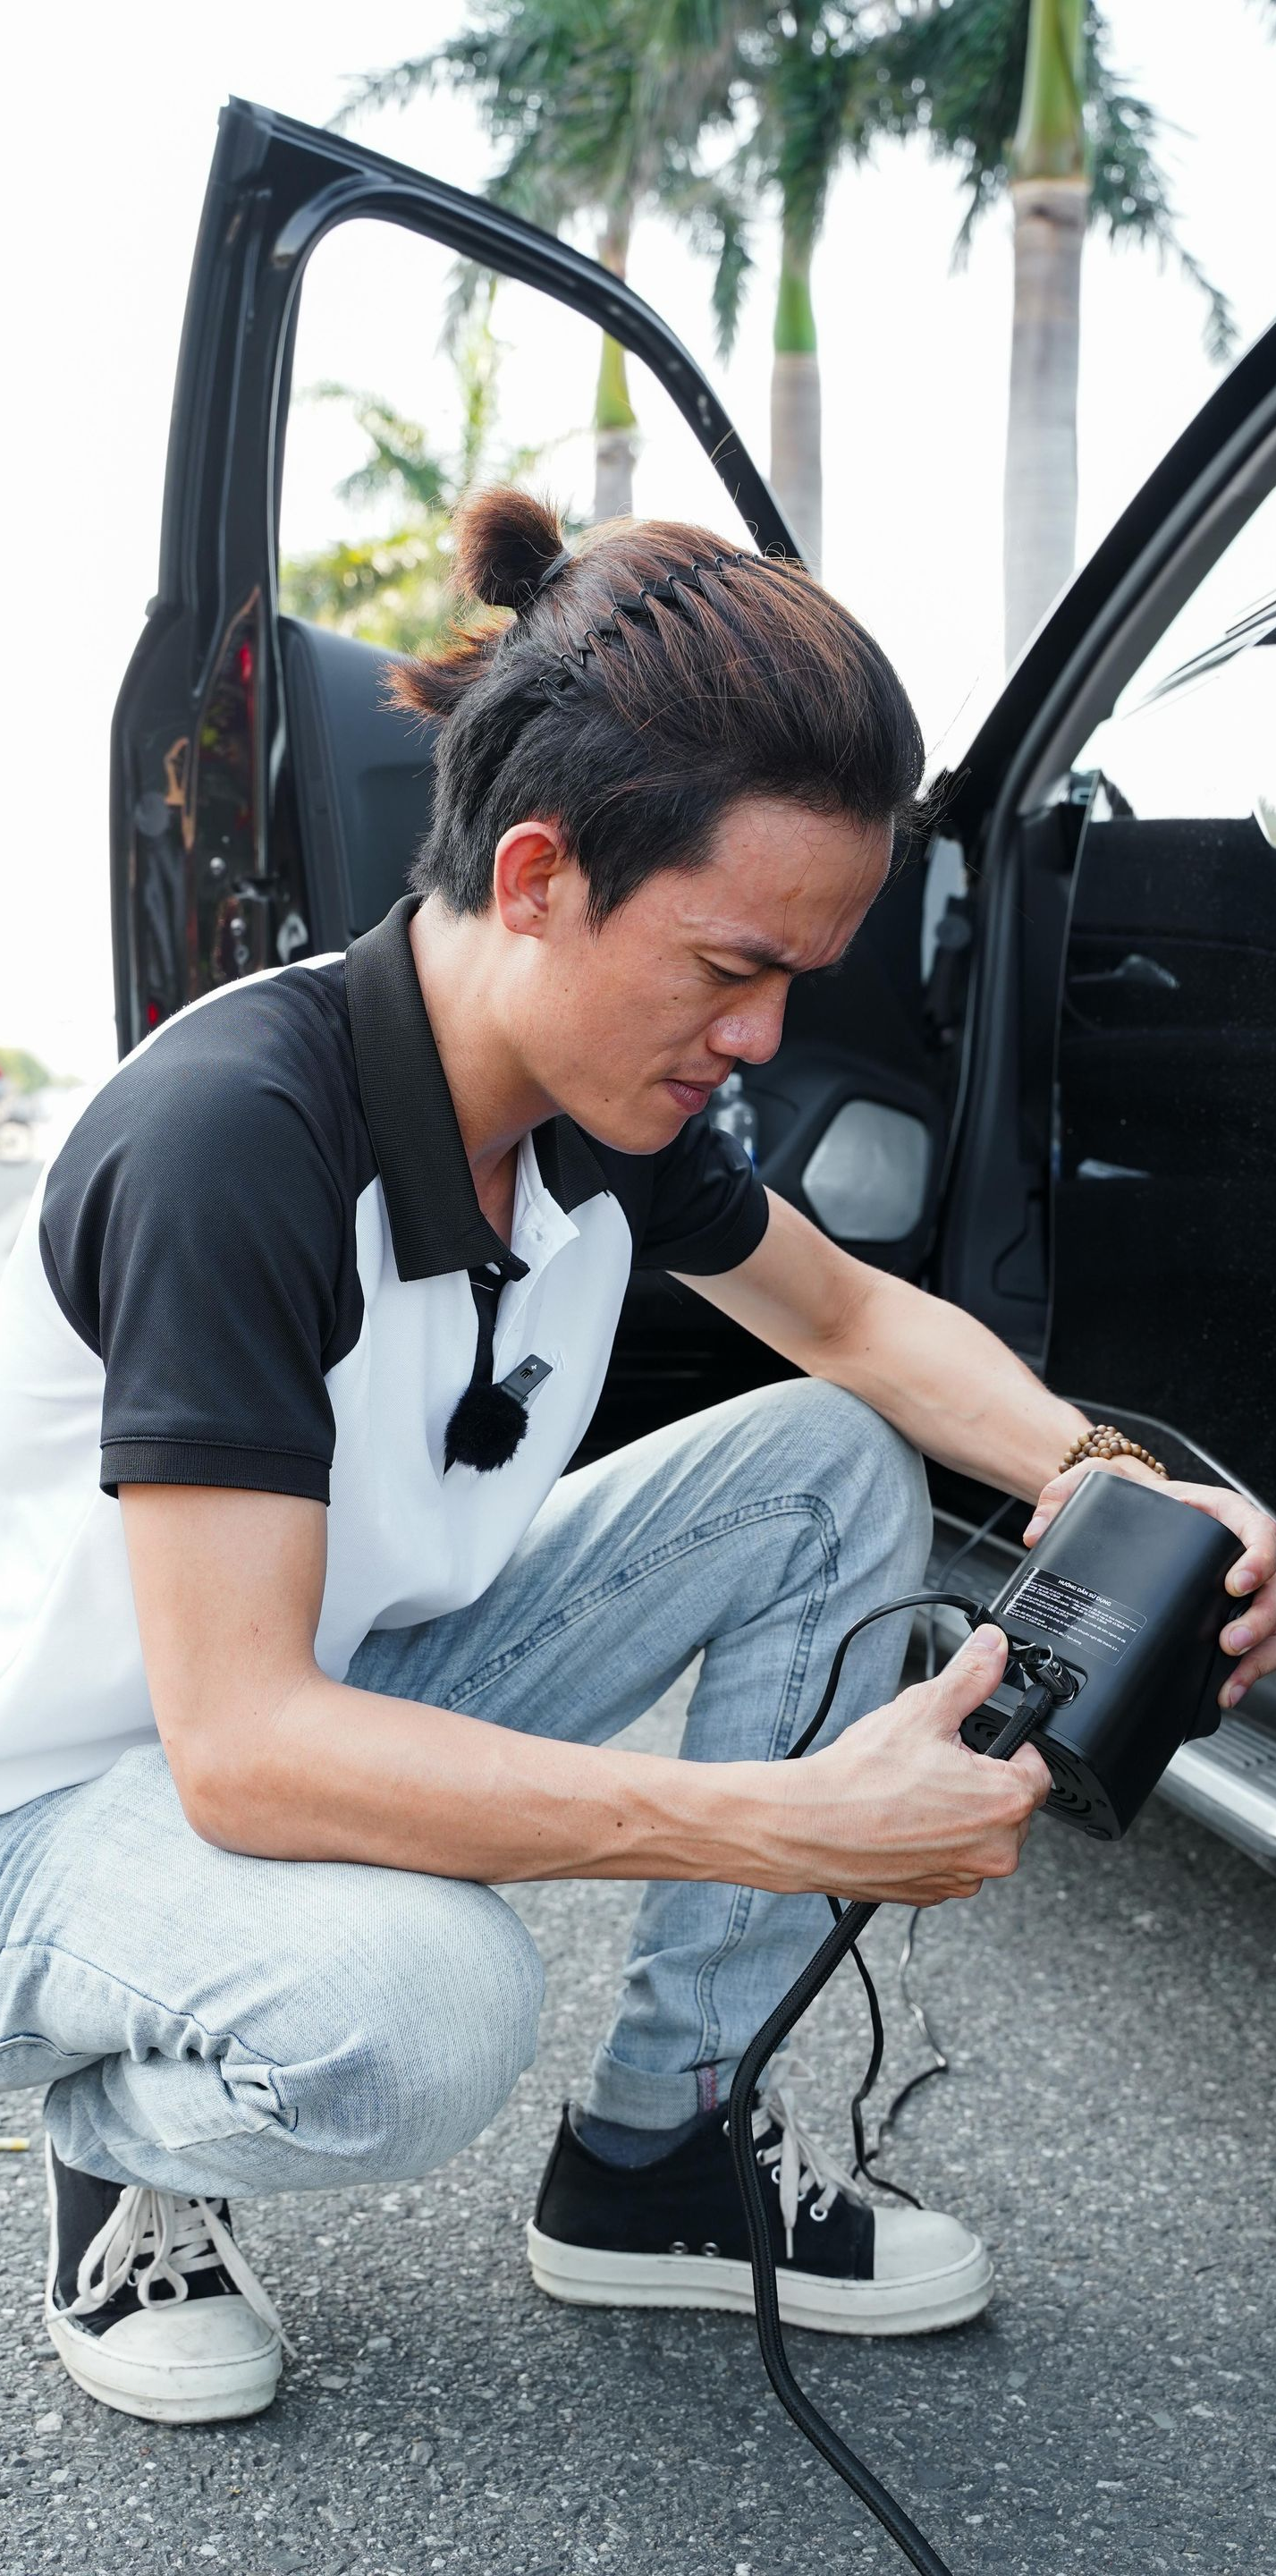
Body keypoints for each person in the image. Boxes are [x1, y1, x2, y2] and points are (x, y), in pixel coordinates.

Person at [1, 491, 1272, 2431]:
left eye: (799, 984)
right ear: (534, 876)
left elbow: (849, 1325)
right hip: (60, 1801)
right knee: (416, 2009)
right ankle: (130, 2135)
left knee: (822, 1462)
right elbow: (244, 1745)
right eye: (725, 969)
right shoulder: (234, 1137)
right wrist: (790, 1822)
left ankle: (663, 2156)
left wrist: (1122, 1478)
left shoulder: (599, 1102)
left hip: (290, 1700)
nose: (758, 1036)